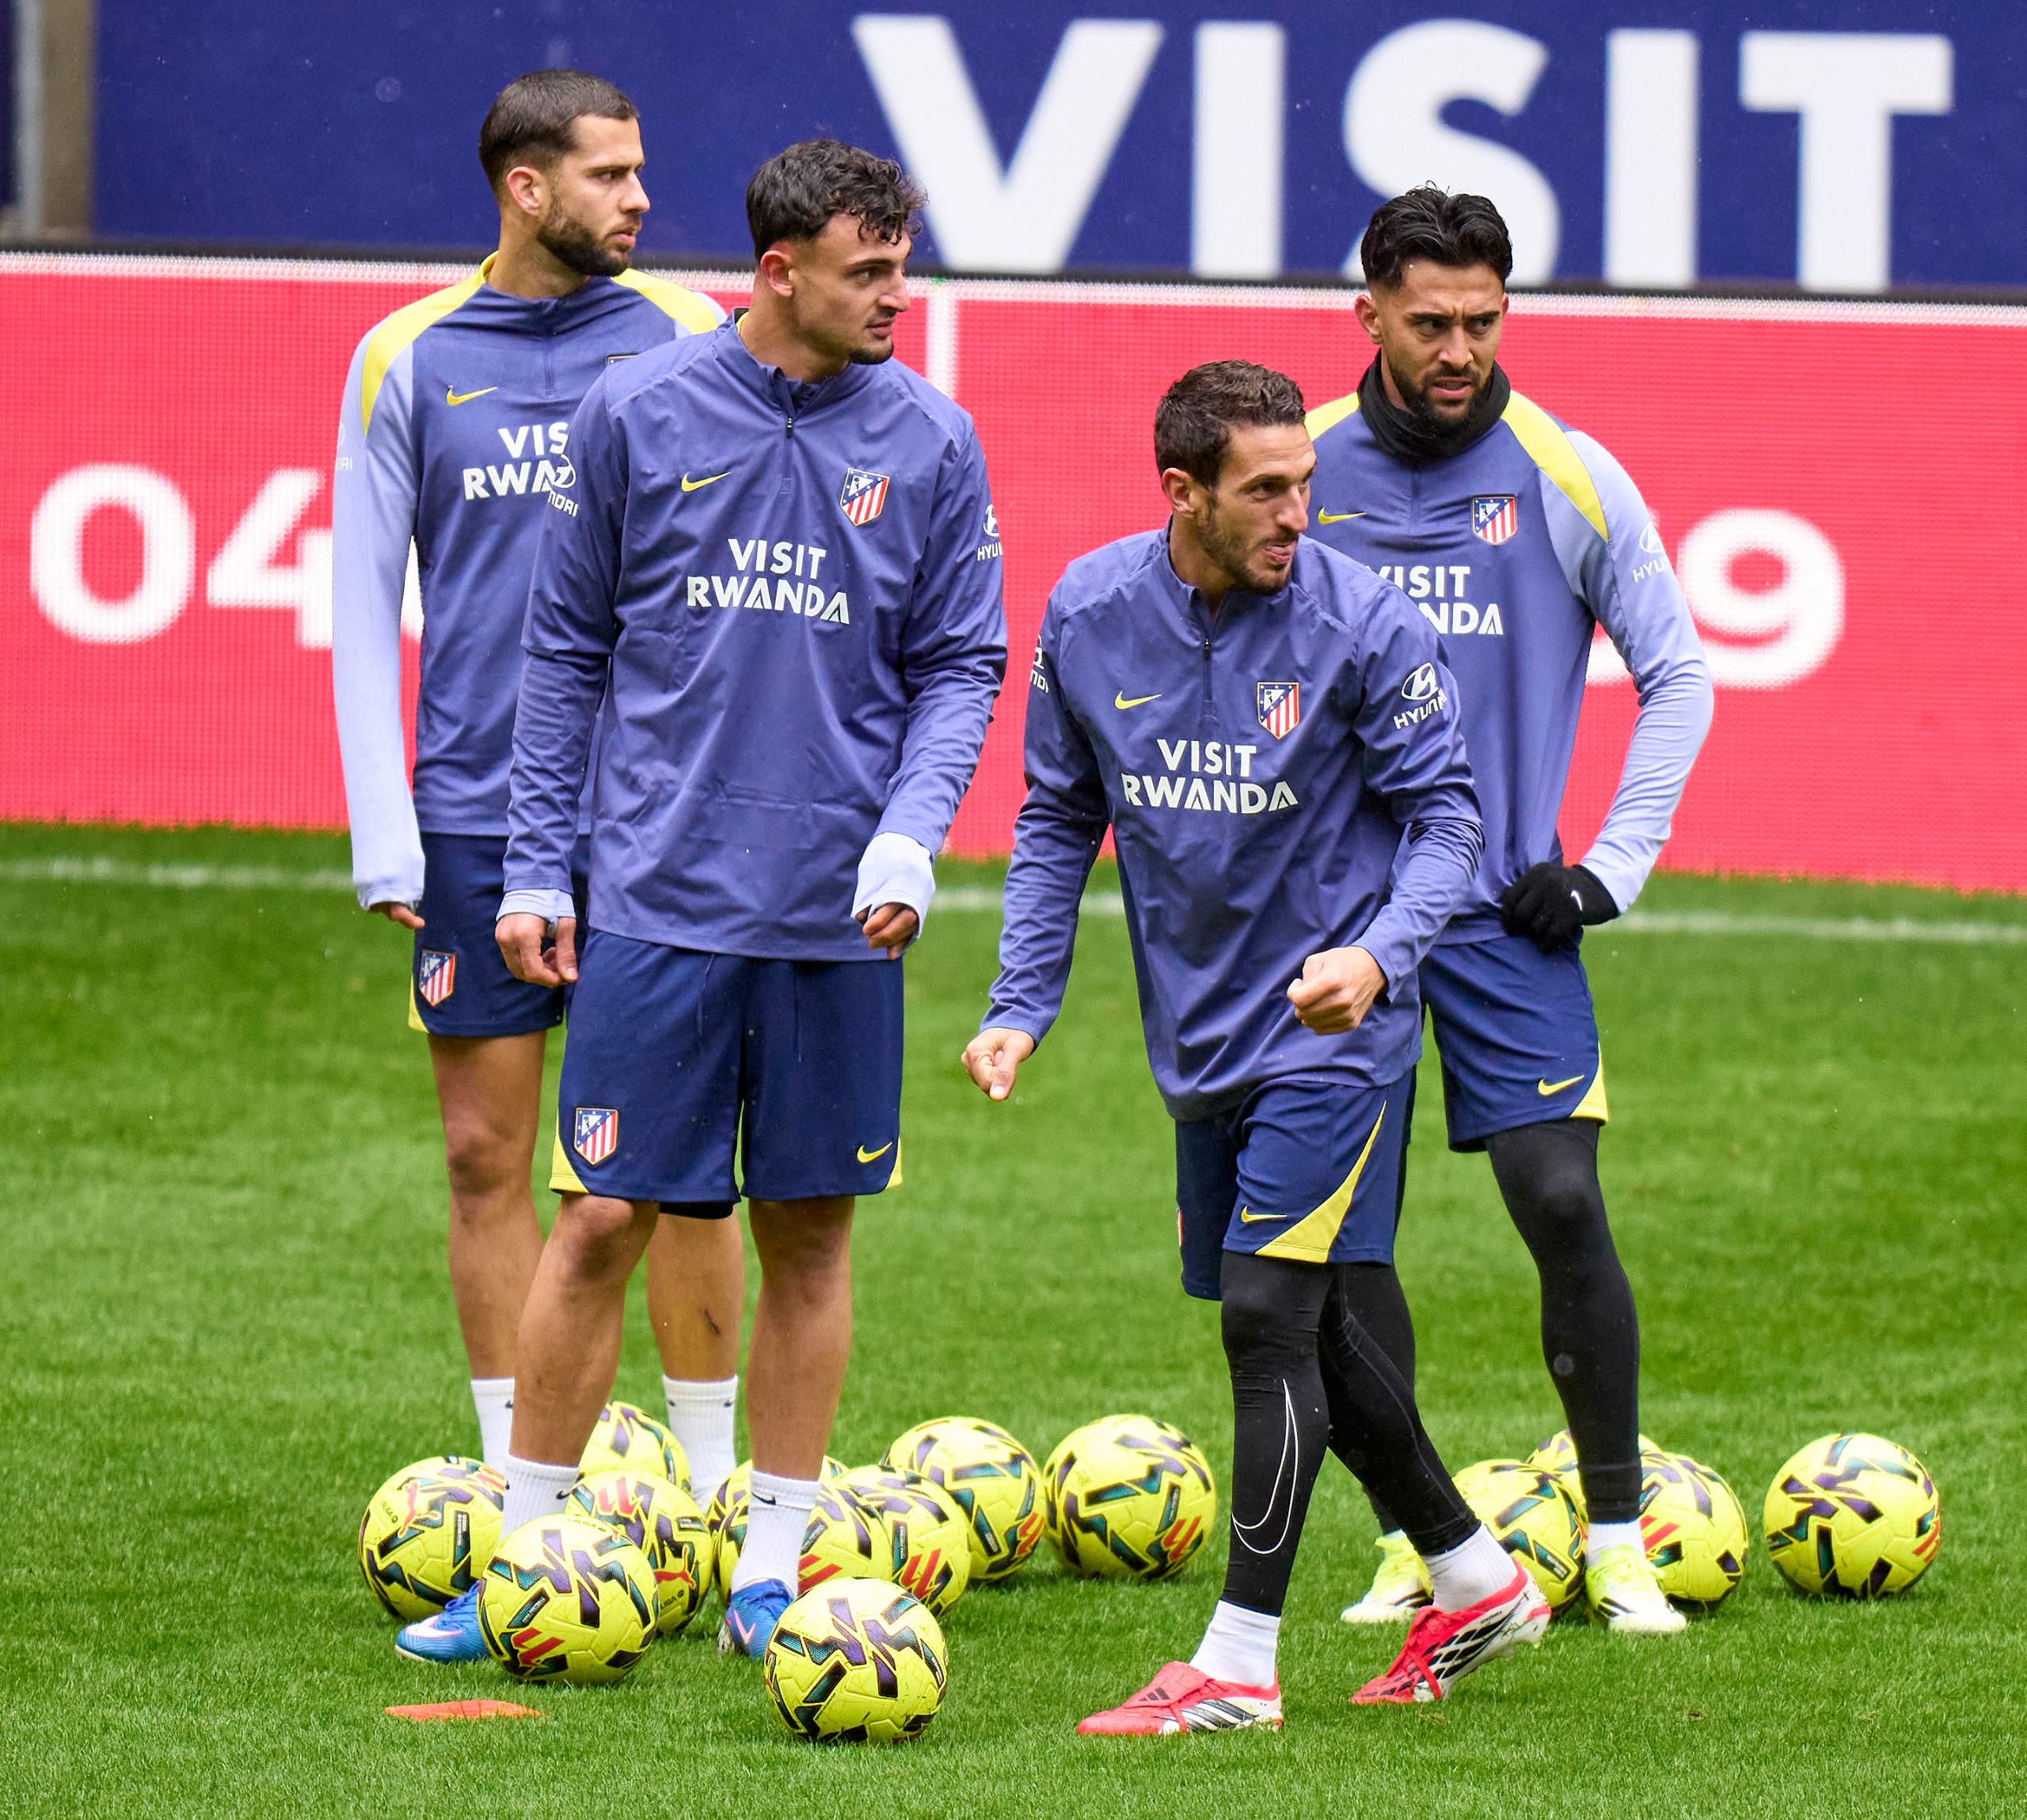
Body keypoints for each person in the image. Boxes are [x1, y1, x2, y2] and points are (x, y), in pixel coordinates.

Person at [392, 137, 1007, 1666]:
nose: (898, 299)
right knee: (599, 1215)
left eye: (905, 268)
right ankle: (527, 1557)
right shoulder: (639, 411)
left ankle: (769, 1567)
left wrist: (912, 836)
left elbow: (964, 665)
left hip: (834, 920)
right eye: (870, 273)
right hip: (658, 904)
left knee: (808, 1236)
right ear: (780, 272)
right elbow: (566, 652)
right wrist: (539, 862)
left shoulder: (932, 441)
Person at [965, 361, 1549, 1731]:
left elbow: (1450, 823)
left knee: (1264, 1318)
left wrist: (1378, 955)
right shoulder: (1092, 614)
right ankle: (1477, 1582)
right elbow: (1059, 820)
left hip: (1341, 1032)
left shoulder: (1367, 625)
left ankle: (1234, 1667)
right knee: (1330, 1335)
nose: (1302, 508)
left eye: (1307, 480)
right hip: (1206, 1037)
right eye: (1268, 488)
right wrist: (1017, 1003)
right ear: (1184, 493)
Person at [330, 69, 747, 1518]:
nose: (641, 200)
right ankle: (528, 1491)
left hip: (655, 817)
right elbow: (362, 597)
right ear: (526, 188)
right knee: (483, 1153)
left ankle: (710, 1487)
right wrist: (386, 829)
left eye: (640, 173)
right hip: (474, 809)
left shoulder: (695, 336)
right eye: (612, 176)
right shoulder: (407, 356)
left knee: (680, 1164)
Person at [1304, 186, 1713, 1633]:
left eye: (1485, 320)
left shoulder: (1567, 472)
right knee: (1348, 1247)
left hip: (1497, 920)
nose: (1462, 348)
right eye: (1433, 324)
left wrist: (1608, 865)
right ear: (1371, 316)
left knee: (1559, 1198)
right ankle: (1421, 1543)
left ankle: (1613, 1536)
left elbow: (1681, 676)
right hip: (1337, 934)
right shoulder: (1300, 469)